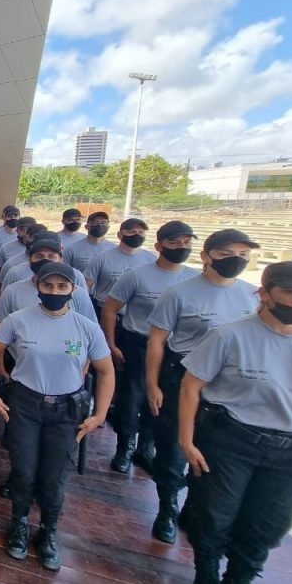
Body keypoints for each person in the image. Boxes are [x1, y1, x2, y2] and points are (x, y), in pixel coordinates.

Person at [177, 261, 292, 584]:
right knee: (214, 515)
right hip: (232, 440)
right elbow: (191, 388)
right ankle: (205, 583)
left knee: (268, 524)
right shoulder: (230, 336)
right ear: (265, 294)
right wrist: (186, 440)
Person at [0, 262, 114, 571]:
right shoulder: (18, 320)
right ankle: (20, 524)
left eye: (61, 287)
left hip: (66, 411)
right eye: (48, 286)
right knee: (24, 470)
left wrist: (100, 414)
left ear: (73, 290)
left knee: (54, 477)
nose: (54, 292)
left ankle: (49, 531)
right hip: (25, 405)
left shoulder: (86, 327)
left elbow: (106, 371)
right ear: (38, 286)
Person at [146, 229, 260, 544]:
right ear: (206, 257)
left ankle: (194, 509)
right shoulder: (180, 293)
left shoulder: (253, 297)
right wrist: (152, 384)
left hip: (226, 386)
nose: (235, 260)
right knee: (172, 448)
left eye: (242, 254)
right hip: (180, 374)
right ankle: (167, 507)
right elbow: (157, 341)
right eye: (226, 254)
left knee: (212, 453)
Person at [101, 221, 198, 473]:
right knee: (131, 400)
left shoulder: (193, 279)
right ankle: (125, 448)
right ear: (159, 245)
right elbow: (110, 310)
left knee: (160, 403)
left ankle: (147, 447)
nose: (181, 247)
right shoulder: (137, 275)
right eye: (174, 242)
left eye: (186, 242)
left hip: (172, 350)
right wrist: (112, 344)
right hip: (137, 343)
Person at [85, 218, 157, 319]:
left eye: (141, 232)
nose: (137, 235)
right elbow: (86, 285)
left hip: (138, 316)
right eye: (132, 232)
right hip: (104, 311)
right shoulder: (102, 258)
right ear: (120, 235)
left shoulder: (152, 259)